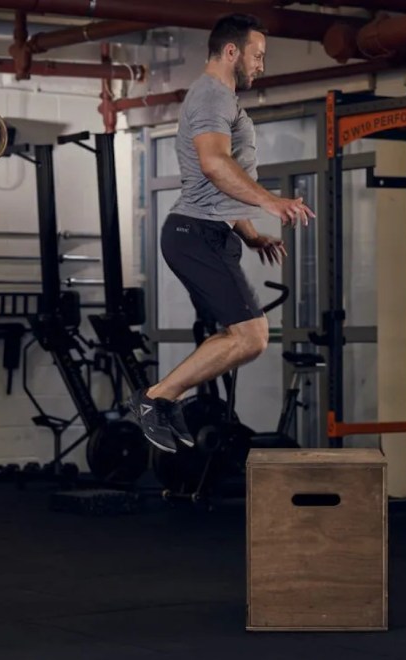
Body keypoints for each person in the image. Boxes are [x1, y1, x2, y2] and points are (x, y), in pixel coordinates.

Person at [129, 13, 315, 454]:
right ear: (231, 52)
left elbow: (221, 184)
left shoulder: (222, 99)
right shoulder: (212, 96)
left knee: (242, 336)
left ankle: (164, 398)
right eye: (257, 55)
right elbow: (214, 165)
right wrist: (270, 202)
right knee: (252, 336)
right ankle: (155, 400)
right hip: (195, 233)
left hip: (207, 233)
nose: (261, 65)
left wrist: (251, 234)